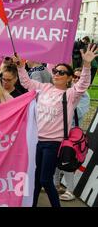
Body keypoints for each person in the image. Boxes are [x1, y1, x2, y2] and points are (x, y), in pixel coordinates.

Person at [13, 44, 95, 207]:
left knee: (45, 179)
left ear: (70, 78)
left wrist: (86, 65)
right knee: (36, 179)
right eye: (56, 71)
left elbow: (84, 84)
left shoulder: (71, 94)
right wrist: (21, 67)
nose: (57, 74)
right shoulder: (44, 88)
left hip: (53, 143)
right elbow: (26, 82)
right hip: (38, 141)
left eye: (62, 72)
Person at [54, 67, 91, 202]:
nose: (76, 80)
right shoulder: (65, 91)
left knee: (67, 162)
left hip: (71, 134)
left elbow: (78, 113)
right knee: (57, 160)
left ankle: (70, 190)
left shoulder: (84, 95)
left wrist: (69, 99)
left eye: (79, 78)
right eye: (74, 77)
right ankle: (56, 184)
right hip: (58, 131)